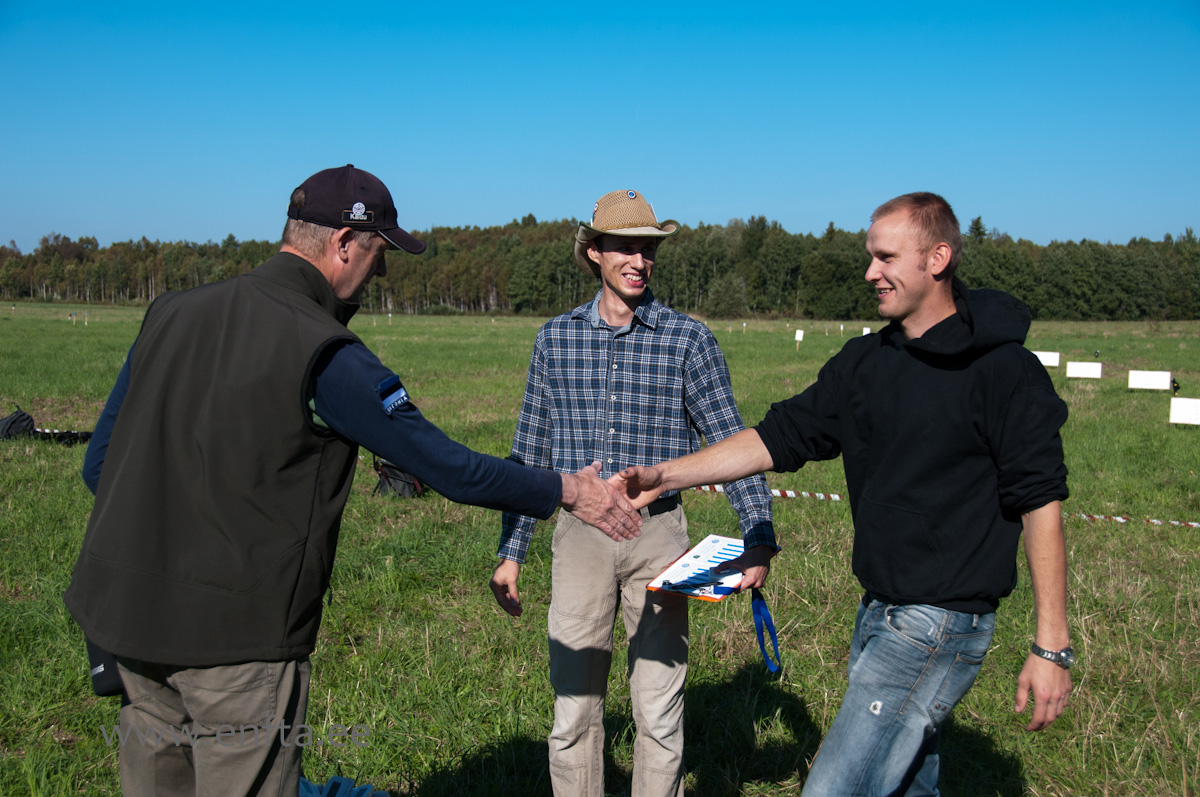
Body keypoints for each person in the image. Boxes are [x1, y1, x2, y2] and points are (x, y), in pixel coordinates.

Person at [64, 165, 641, 797]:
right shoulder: (325, 349)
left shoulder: (170, 312)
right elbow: (443, 465)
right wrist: (568, 489)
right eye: (378, 253)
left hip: (126, 624)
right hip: (235, 647)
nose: (382, 273)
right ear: (343, 244)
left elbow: (101, 465)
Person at [615, 192, 1074, 795]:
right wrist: (667, 475)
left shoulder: (1003, 371)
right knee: (909, 786)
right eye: (869, 256)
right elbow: (778, 437)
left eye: (885, 257)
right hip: (878, 612)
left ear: (938, 258)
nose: (869, 273)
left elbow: (1040, 503)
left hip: (938, 621)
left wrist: (1052, 645)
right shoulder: (866, 362)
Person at [489, 189, 778, 797]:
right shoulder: (555, 340)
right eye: (625, 247)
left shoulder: (688, 341)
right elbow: (531, 451)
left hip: (661, 542)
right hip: (580, 540)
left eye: (648, 249)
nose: (639, 261)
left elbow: (733, 443)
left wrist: (758, 534)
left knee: (659, 715)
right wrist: (513, 549)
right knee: (573, 714)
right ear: (594, 252)